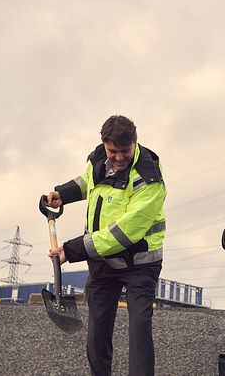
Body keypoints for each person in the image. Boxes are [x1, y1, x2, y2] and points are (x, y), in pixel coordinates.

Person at [45, 115, 166, 376]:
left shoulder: (149, 178)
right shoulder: (98, 158)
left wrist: (73, 249)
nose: (119, 158)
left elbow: (123, 234)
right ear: (105, 145)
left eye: (125, 151)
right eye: (113, 151)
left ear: (135, 143)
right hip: (102, 262)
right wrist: (61, 194)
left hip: (139, 265)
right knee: (97, 333)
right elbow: (88, 181)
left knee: (139, 328)